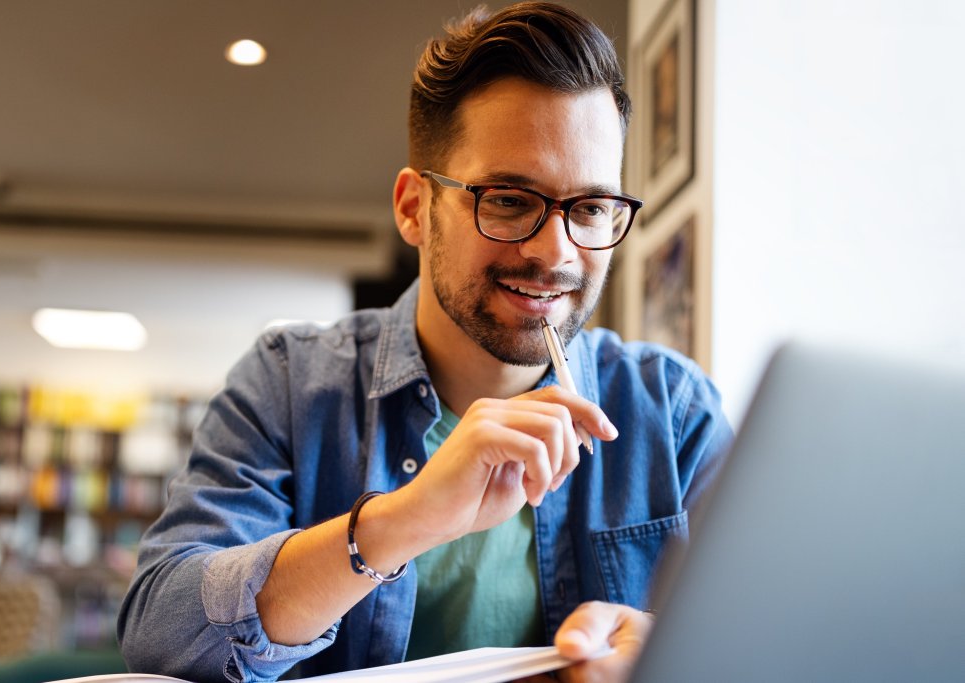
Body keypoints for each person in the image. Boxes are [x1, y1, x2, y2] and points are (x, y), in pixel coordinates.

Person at [118, 3, 734, 682]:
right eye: (506, 198)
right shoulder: (290, 382)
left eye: (589, 208)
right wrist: (396, 524)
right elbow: (160, 629)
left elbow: (777, 637)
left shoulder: (674, 412)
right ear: (415, 207)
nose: (555, 252)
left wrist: (675, 654)